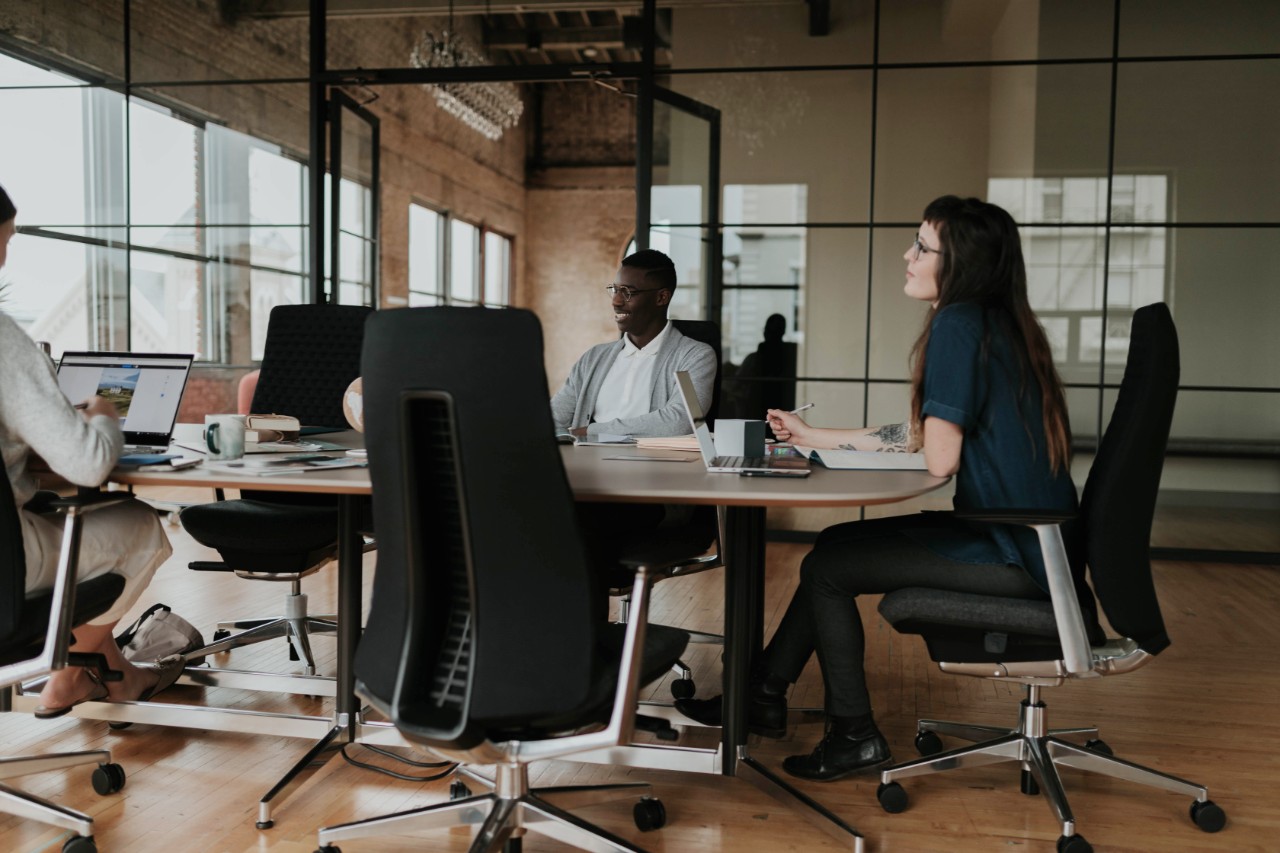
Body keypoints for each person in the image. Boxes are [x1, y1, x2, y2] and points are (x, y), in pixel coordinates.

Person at [676, 195, 1077, 782]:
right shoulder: (997, 324)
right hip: (1033, 540)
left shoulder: (959, 324)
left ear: (960, 264)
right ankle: (761, 692)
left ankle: (854, 735)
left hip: (1015, 551)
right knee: (834, 544)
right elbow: (920, 433)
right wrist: (815, 436)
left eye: (922, 246)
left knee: (828, 568)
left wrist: (839, 449)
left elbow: (938, 457)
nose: (907, 256)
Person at [0, 183, 181, 718]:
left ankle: (107, 674)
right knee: (140, 523)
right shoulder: (2, 340)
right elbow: (87, 463)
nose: (4, 258)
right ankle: (72, 674)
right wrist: (102, 413)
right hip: (5, 564)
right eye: (4, 241)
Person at [550, 248, 716, 439]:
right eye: (615, 290)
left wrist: (588, 432)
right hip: (585, 456)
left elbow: (681, 421)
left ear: (661, 297)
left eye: (628, 292)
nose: (616, 301)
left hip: (651, 458)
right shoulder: (594, 357)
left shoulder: (695, 355)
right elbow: (552, 418)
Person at [732, 312, 797, 416]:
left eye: (769, 330)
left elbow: (736, 384)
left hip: (759, 407)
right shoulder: (790, 356)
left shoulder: (754, 358)